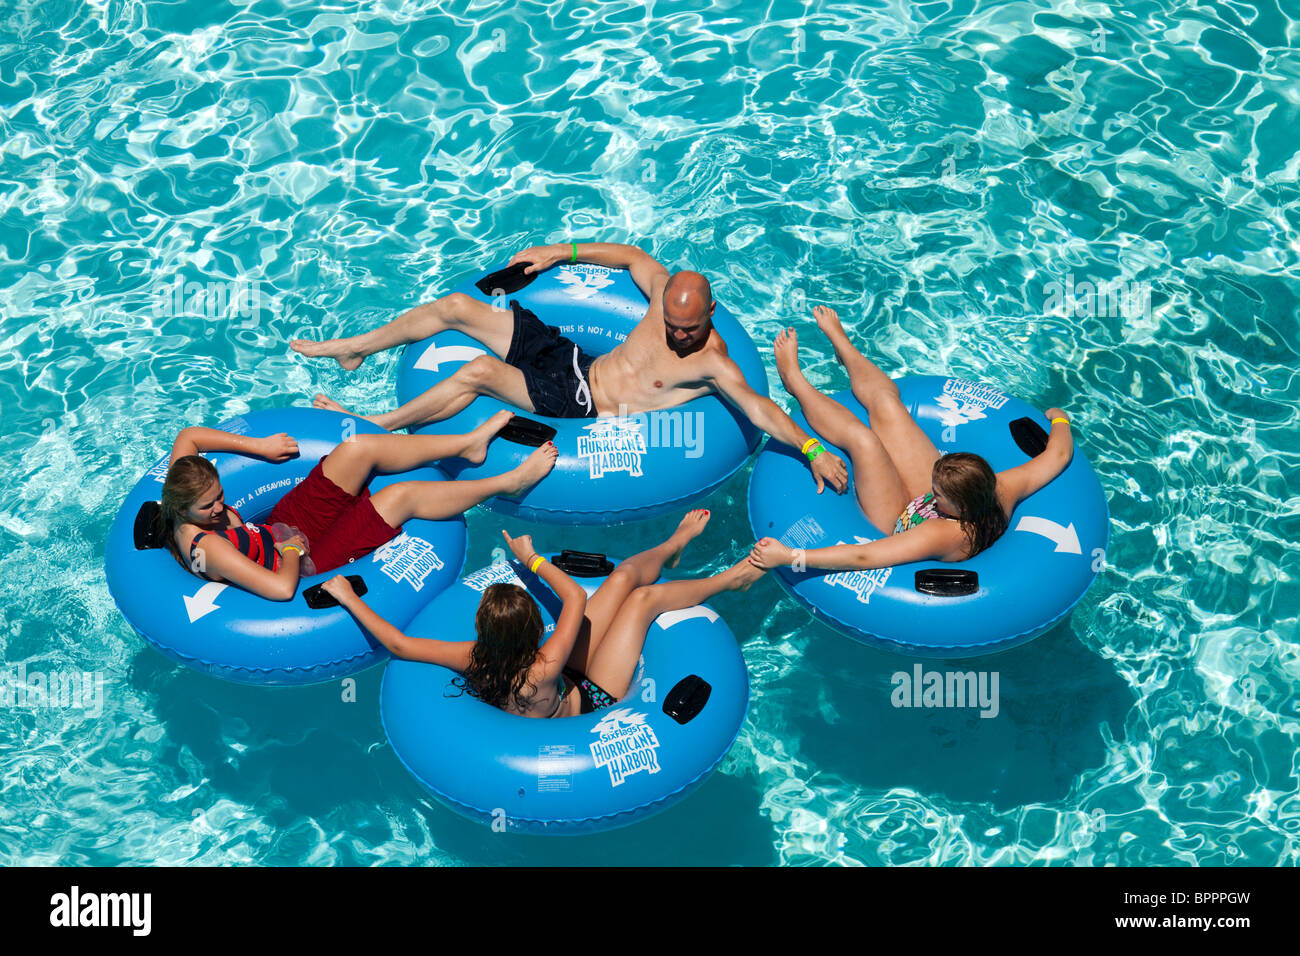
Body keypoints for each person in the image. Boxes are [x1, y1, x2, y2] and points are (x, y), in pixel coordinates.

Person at [290, 241, 849, 494]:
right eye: (672, 324)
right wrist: (564, 252)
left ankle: (377, 426)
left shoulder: (713, 364)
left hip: (581, 404)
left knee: (480, 371)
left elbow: (760, 407)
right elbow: (632, 256)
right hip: (577, 361)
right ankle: (354, 348)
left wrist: (814, 449)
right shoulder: (664, 298)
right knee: (458, 309)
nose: (677, 334)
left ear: (712, 312)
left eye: (688, 328)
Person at [320, 510, 765, 717]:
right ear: (536, 628)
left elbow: (398, 643)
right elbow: (573, 598)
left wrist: (349, 596)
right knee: (640, 596)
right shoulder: (547, 658)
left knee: (626, 578)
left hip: (558, 685)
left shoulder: (473, 656)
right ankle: (729, 580)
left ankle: (671, 547)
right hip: (593, 699)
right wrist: (530, 558)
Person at [748, 305, 1074, 572]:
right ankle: (844, 347)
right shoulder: (1000, 488)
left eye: (937, 494)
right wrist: (1060, 419)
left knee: (863, 441)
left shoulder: (941, 534)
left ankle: (796, 383)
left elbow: (865, 557)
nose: (931, 496)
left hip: (895, 520)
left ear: (961, 505)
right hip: (937, 509)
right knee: (888, 405)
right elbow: (1056, 457)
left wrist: (791, 557)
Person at [157, 410, 557, 600]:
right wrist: (292, 549)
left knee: (355, 449)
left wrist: (257, 446)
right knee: (398, 497)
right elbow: (280, 590)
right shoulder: (208, 547)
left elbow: (188, 434)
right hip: (299, 561)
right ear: (184, 510)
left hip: (276, 527)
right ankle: (509, 483)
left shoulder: (181, 484)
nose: (220, 507)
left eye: (221, 496)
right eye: (209, 507)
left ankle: (467, 444)